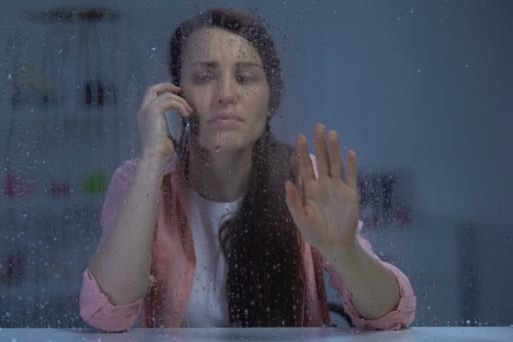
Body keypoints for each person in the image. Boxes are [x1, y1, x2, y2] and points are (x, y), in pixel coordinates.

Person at [79, 8, 416, 332]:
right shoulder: (140, 180)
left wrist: (346, 252)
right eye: (204, 77)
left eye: (245, 77)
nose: (226, 94)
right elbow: (106, 314)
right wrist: (153, 157)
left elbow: (390, 316)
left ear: (271, 98)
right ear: (175, 94)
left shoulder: (304, 179)